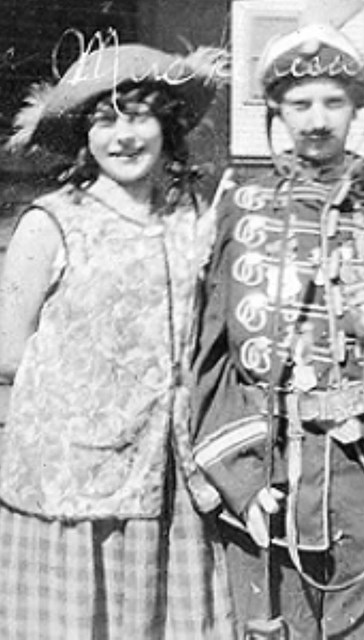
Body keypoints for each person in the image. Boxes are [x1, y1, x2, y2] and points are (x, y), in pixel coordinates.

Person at [190, 21, 364, 640]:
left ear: (357, 109)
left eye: (333, 102)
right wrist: (239, 479)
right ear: (278, 113)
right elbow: (207, 361)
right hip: (269, 478)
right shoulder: (238, 211)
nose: (317, 120)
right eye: (300, 104)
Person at [0, 41, 235, 639]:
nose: (124, 136)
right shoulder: (49, 222)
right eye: (105, 120)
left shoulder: (191, 215)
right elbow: (7, 348)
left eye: (140, 116)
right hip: (72, 489)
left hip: (169, 480)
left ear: (168, 127)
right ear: (85, 136)